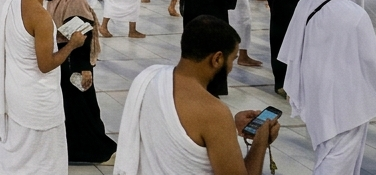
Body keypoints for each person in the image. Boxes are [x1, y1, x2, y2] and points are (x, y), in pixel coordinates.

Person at [114, 16, 279, 175]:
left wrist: (229, 126)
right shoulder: (214, 113)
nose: (231, 68)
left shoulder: (150, 75)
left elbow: (184, 127)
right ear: (217, 59)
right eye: (232, 60)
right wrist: (261, 140)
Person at [279, 0, 376, 175]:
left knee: (325, 144)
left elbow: (291, 50)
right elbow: (372, 60)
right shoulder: (355, 13)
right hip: (347, 94)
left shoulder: (305, 4)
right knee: (341, 151)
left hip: (313, 86)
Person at [0, 0, 85, 175]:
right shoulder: (41, 17)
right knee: (44, 156)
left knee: (16, 148)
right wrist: (72, 45)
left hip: (16, 91)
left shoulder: (13, 2)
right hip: (38, 99)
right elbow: (46, 65)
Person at [49, 0, 115, 165]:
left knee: (70, 106)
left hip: (60, 57)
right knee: (84, 108)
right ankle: (91, 151)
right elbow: (80, 38)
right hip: (74, 62)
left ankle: (67, 148)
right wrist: (85, 69)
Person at [178, 0, 237, 96]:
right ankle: (212, 89)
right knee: (213, 58)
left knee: (195, 56)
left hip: (192, 22)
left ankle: (192, 85)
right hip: (213, 26)